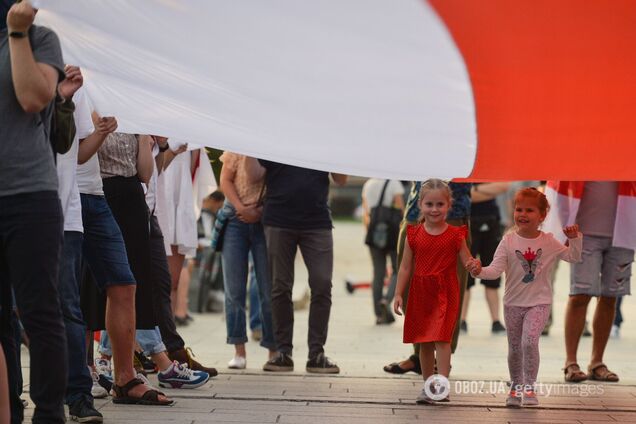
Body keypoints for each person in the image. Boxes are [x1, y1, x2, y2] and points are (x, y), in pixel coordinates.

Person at [1, 1, 68, 421]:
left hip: (29, 196)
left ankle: (48, 412)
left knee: (39, 311)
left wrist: (17, 33)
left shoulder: (41, 38)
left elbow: (32, 98)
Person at [470, 187, 582, 407]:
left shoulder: (548, 241)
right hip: (512, 304)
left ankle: (529, 388)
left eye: (529, 210)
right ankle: (515, 387)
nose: (523, 214)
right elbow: (494, 270)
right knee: (514, 348)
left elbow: (573, 257)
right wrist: (478, 270)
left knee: (529, 342)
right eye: (519, 209)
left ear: (542, 215)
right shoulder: (508, 241)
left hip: (539, 303)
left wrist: (574, 239)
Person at [245, 158, 347, 373]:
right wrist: (250, 143)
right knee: (280, 286)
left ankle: (316, 354)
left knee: (322, 284)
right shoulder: (275, 133)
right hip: (279, 219)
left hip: (317, 220)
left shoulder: (325, 137)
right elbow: (253, 176)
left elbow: (341, 179)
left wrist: (339, 145)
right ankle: (283, 352)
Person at [544, 181, 635, 383]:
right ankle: (570, 362)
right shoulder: (581, 154)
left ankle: (597, 362)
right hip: (583, 235)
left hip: (623, 234)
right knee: (579, 295)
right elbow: (558, 186)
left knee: (611, 296)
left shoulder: (627, 154)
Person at [393, 179, 473, 404]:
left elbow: (467, 260)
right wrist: (399, 293)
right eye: (429, 204)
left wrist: (476, 266)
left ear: (449, 205)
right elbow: (405, 267)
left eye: (440, 204)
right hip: (420, 294)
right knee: (425, 342)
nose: (435, 209)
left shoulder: (457, 235)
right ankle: (429, 387)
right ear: (420, 204)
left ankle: (442, 386)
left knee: (442, 340)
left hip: (446, 293)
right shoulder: (413, 234)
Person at [54, 68, 104, 421]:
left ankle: (78, 395)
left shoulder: (74, 83)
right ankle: (12, 395)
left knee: (68, 307)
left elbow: (79, 151)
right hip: (15, 208)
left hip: (63, 214)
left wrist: (100, 132)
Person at [218, 152, 276, 369]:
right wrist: (241, 208)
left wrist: (260, 211)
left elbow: (280, 184)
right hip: (235, 219)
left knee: (268, 290)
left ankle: (273, 349)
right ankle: (238, 350)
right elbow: (225, 179)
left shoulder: (273, 146)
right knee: (234, 290)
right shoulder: (236, 145)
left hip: (264, 219)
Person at [461, 182, 510, 334]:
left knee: (493, 274)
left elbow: (502, 187)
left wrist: (475, 190)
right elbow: (467, 196)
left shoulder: (491, 172)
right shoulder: (466, 173)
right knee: (466, 276)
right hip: (469, 224)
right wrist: (487, 192)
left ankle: (496, 320)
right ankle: (462, 320)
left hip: (492, 224)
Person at [361, 178, 405, 324]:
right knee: (397, 269)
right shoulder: (394, 183)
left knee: (378, 272)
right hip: (392, 232)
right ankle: (387, 299)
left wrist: (368, 230)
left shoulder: (368, 184)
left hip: (373, 231)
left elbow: (365, 210)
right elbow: (400, 209)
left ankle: (379, 315)